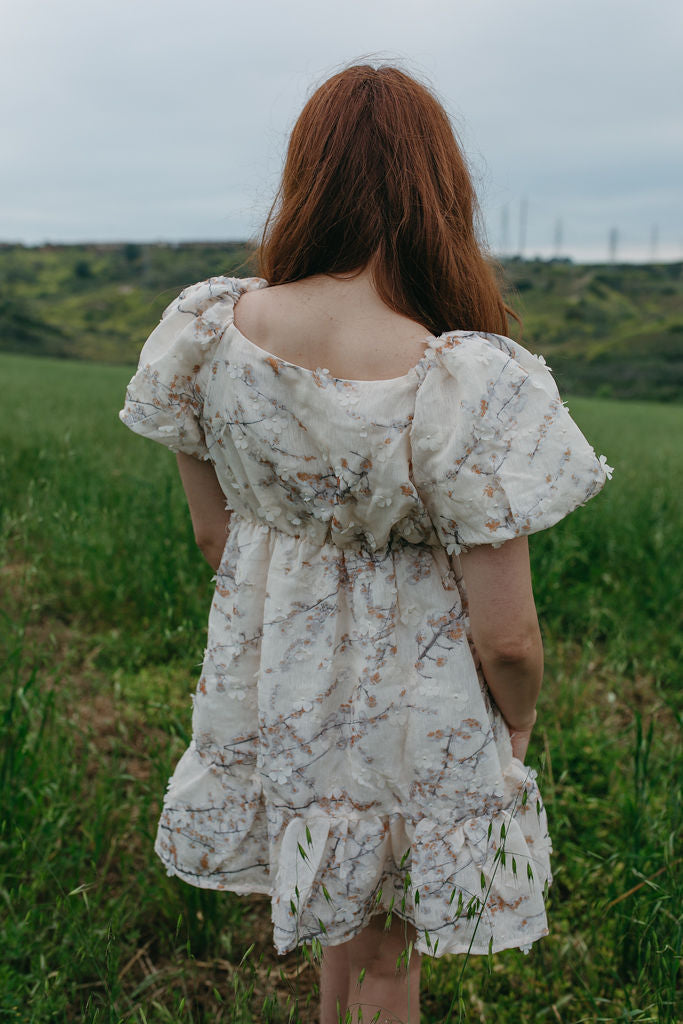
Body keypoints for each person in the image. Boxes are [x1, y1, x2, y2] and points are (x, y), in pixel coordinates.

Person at [119, 64, 612, 1024]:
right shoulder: (459, 378)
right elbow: (505, 634)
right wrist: (515, 721)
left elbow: (215, 537)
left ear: (306, 177)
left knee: (341, 922)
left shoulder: (210, 333)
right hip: (413, 709)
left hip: (280, 686)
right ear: (439, 192)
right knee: (390, 958)